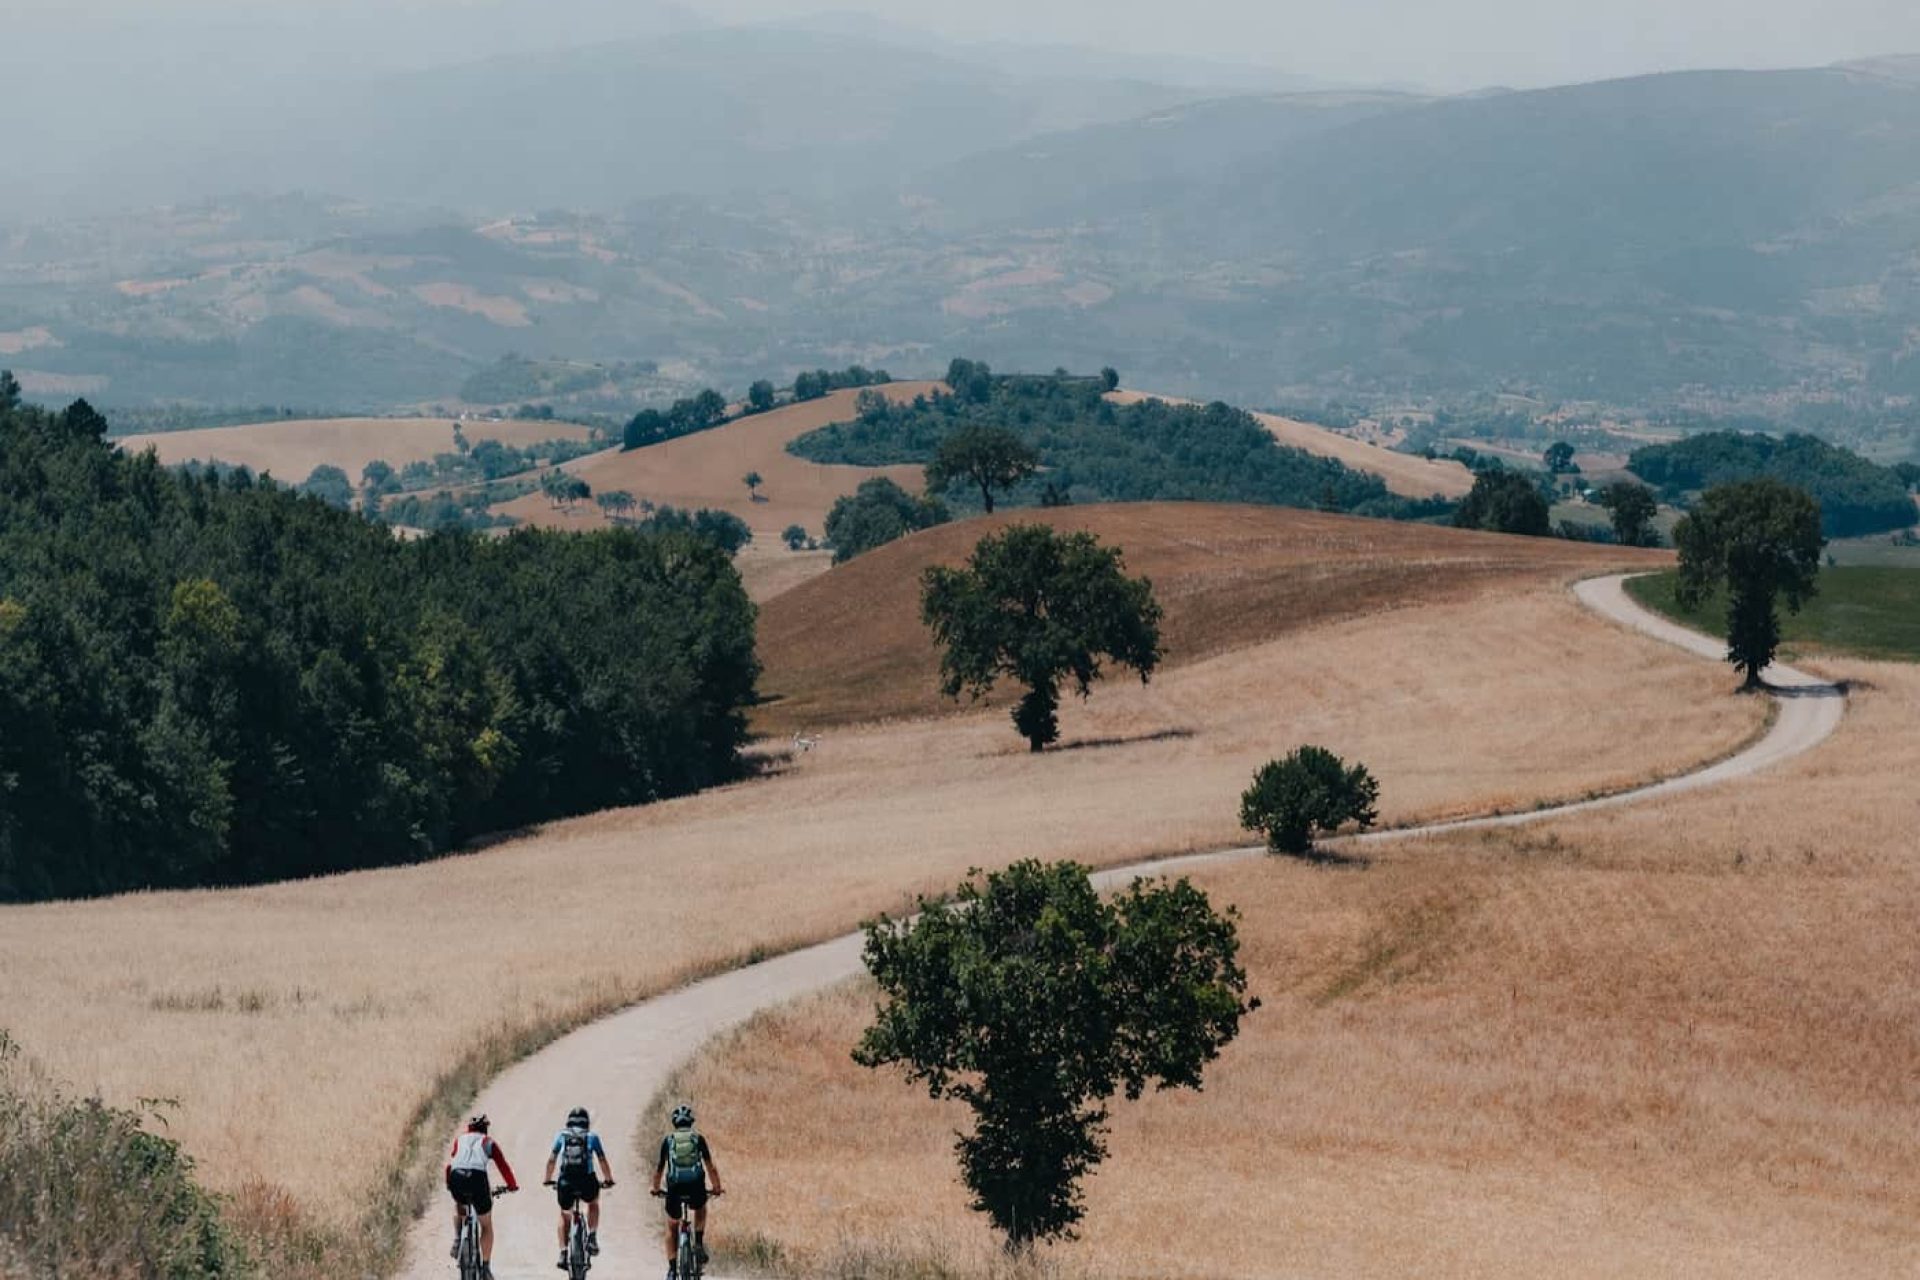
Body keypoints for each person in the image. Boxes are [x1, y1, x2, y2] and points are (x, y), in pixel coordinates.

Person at [649, 1103, 725, 1278]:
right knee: (701, 1208)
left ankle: (672, 1269)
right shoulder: (698, 1139)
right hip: (695, 1185)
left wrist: (655, 1188)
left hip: (675, 1187)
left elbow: (659, 1169)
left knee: (671, 1227)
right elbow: (710, 1166)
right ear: (691, 1122)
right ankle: (698, 1242)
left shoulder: (668, 1141)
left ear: (674, 1123)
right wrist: (716, 1188)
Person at [542, 1106, 616, 1271]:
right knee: (593, 1203)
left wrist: (547, 1179)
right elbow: (602, 1160)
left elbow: (551, 1160)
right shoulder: (592, 1137)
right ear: (587, 1123)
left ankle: (562, 1252)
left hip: (566, 1182)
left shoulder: (562, 1136)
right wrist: (608, 1179)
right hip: (586, 1181)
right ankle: (592, 1236)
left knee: (564, 1213)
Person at [446, 1114, 518, 1278]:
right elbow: (503, 1166)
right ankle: (485, 1267)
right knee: (486, 1224)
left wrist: (450, 1184)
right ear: (485, 1128)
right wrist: (512, 1185)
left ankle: (458, 1239)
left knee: (460, 1204)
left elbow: (454, 1160)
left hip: (456, 1176)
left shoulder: (460, 1140)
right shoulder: (488, 1142)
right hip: (478, 1179)